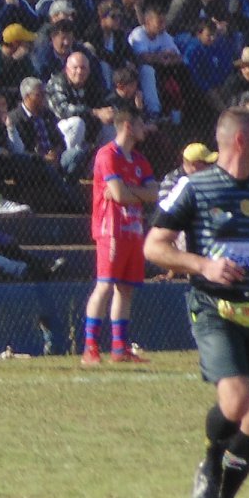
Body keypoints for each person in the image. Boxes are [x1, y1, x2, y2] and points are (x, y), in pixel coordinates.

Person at [145, 108, 249, 498]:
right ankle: (211, 462)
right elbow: (154, 247)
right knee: (236, 399)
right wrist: (203, 265)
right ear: (240, 142)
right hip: (214, 306)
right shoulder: (193, 188)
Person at [81, 103, 158, 365]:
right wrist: (132, 193)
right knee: (104, 285)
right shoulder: (107, 154)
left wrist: (128, 191)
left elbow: (154, 193)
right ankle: (90, 347)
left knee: (125, 289)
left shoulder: (140, 159)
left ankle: (119, 348)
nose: (144, 128)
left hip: (133, 229)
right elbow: (118, 194)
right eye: (140, 124)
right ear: (128, 126)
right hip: (110, 229)